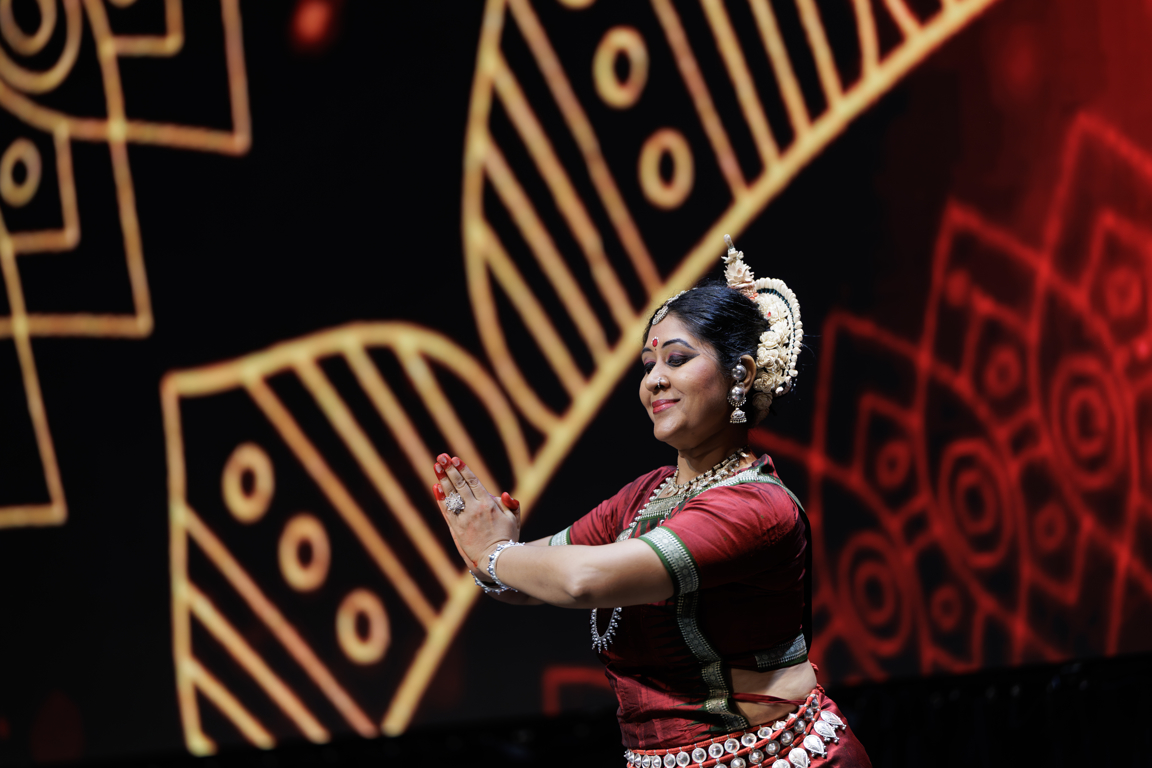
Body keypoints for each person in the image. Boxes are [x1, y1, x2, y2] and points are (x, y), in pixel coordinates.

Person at [432, 237, 871, 767]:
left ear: (742, 373)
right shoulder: (645, 495)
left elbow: (580, 579)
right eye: (647, 365)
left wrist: (494, 552)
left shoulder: (757, 507)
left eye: (677, 359)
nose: (654, 380)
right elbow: (529, 582)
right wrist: (487, 552)